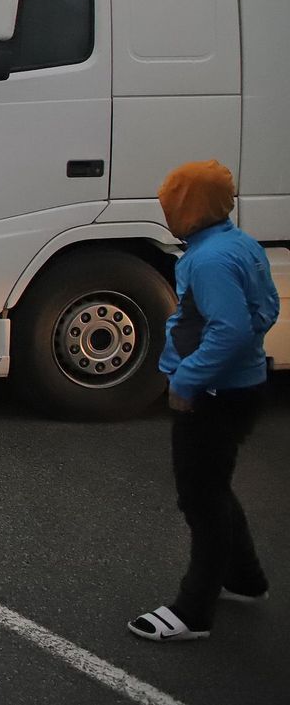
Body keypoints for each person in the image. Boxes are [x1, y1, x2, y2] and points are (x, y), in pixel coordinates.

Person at [127, 159, 279, 643]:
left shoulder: (207, 259)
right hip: (243, 386)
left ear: (189, 206)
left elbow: (229, 328)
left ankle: (194, 611)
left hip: (214, 393)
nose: (167, 211)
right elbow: (266, 309)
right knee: (216, 485)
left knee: (200, 498)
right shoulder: (240, 244)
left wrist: (187, 380)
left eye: (172, 203)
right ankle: (245, 578)